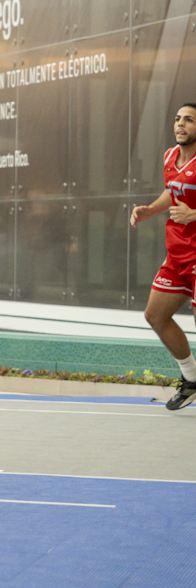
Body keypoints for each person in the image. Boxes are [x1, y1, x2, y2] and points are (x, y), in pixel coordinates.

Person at [130, 102, 196, 411]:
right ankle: (192, 379)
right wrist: (150, 210)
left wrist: (193, 213)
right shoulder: (171, 156)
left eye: (189, 120)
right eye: (178, 119)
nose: (181, 124)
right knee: (154, 315)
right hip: (177, 253)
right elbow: (172, 191)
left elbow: (187, 207)